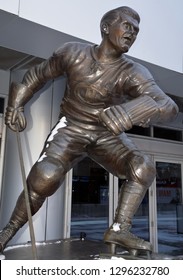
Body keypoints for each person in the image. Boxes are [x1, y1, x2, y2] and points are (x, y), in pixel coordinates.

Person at [0, 6, 178, 256]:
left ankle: (120, 228)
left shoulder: (133, 72)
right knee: (45, 176)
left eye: (136, 31)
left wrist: (133, 111)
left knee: (143, 166)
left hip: (106, 134)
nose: (132, 33)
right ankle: (7, 231)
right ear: (106, 28)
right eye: (127, 26)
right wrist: (16, 105)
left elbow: (168, 106)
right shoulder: (72, 52)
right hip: (71, 126)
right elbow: (37, 75)